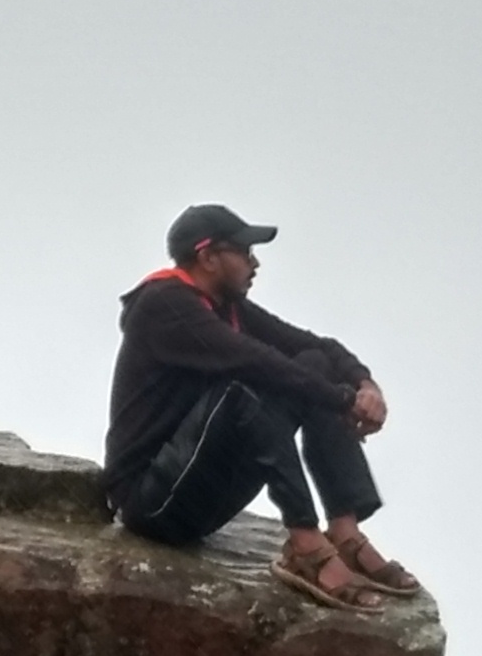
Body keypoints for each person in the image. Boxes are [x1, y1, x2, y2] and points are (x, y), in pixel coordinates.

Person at [103, 202, 424, 609]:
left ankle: (344, 532)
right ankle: (306, 544)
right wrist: (343, 400)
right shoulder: (163, 304)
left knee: (315, 364)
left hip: (203, 494)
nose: (255, 264)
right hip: (151, 502)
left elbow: (316, 347)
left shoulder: (227, 307)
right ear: (208, 257)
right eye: (245, 252)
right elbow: (252, 361)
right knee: (248, 384)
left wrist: (363, 384)